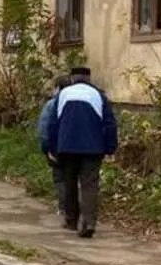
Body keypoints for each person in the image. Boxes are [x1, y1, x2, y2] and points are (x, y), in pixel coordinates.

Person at [42, 66, 117, 239]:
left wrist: (51, 148)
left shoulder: (63, 94)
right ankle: (89, 222)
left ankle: (71, 220)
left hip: (67, 147)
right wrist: (110, 148)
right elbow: (109, 123)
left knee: (70, 183)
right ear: (88, 79)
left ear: (72, 78)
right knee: (90, 185)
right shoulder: (98, 95)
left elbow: (53, 124)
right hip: (92, 148)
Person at [38, 75, 74, 216]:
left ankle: (64, 207)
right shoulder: (76, 102)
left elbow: (44, 128)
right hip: (76, 147)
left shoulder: (52, 104)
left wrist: (46, 149)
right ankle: (76, 207)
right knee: (74, 176)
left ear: (57, 88)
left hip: (57, 147)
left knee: (60, 177)